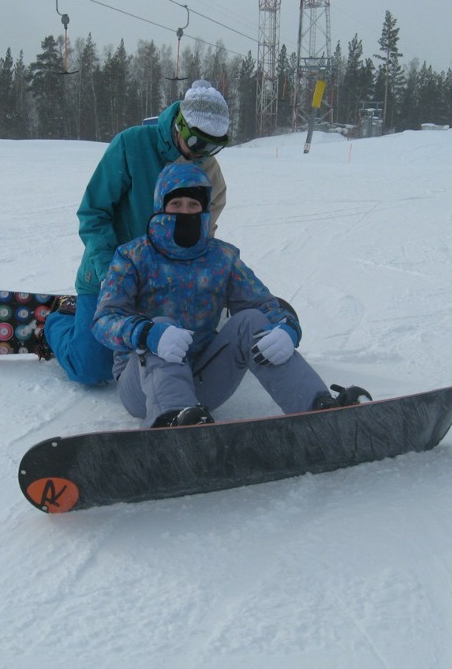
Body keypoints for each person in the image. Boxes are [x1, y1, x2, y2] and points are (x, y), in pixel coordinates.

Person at [92, 162, 370, 428]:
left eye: (193, 205)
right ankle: (171, 421)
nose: (184, 212)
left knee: (251, 320)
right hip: (143, 385)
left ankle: (318, 408)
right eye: (175, 204)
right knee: (162, 323)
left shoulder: (222, 257)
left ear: (205, 210)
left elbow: (262, 304)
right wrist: (147, 333)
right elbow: (103, 320)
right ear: (160, 206)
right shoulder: (132, 256)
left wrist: (288, 328)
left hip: (204, 380)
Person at [40, 80, 231, 385]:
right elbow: (93, 214)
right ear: (179, 125)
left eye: (213, 146)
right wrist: (110, 273)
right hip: (111, 274)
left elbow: (198, 243)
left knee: (186, 357)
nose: (203, 154)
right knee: (91, 369)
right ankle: (60, 320)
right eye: (197, 143)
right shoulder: (131, 145)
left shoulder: (209, 172)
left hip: (163, 285)